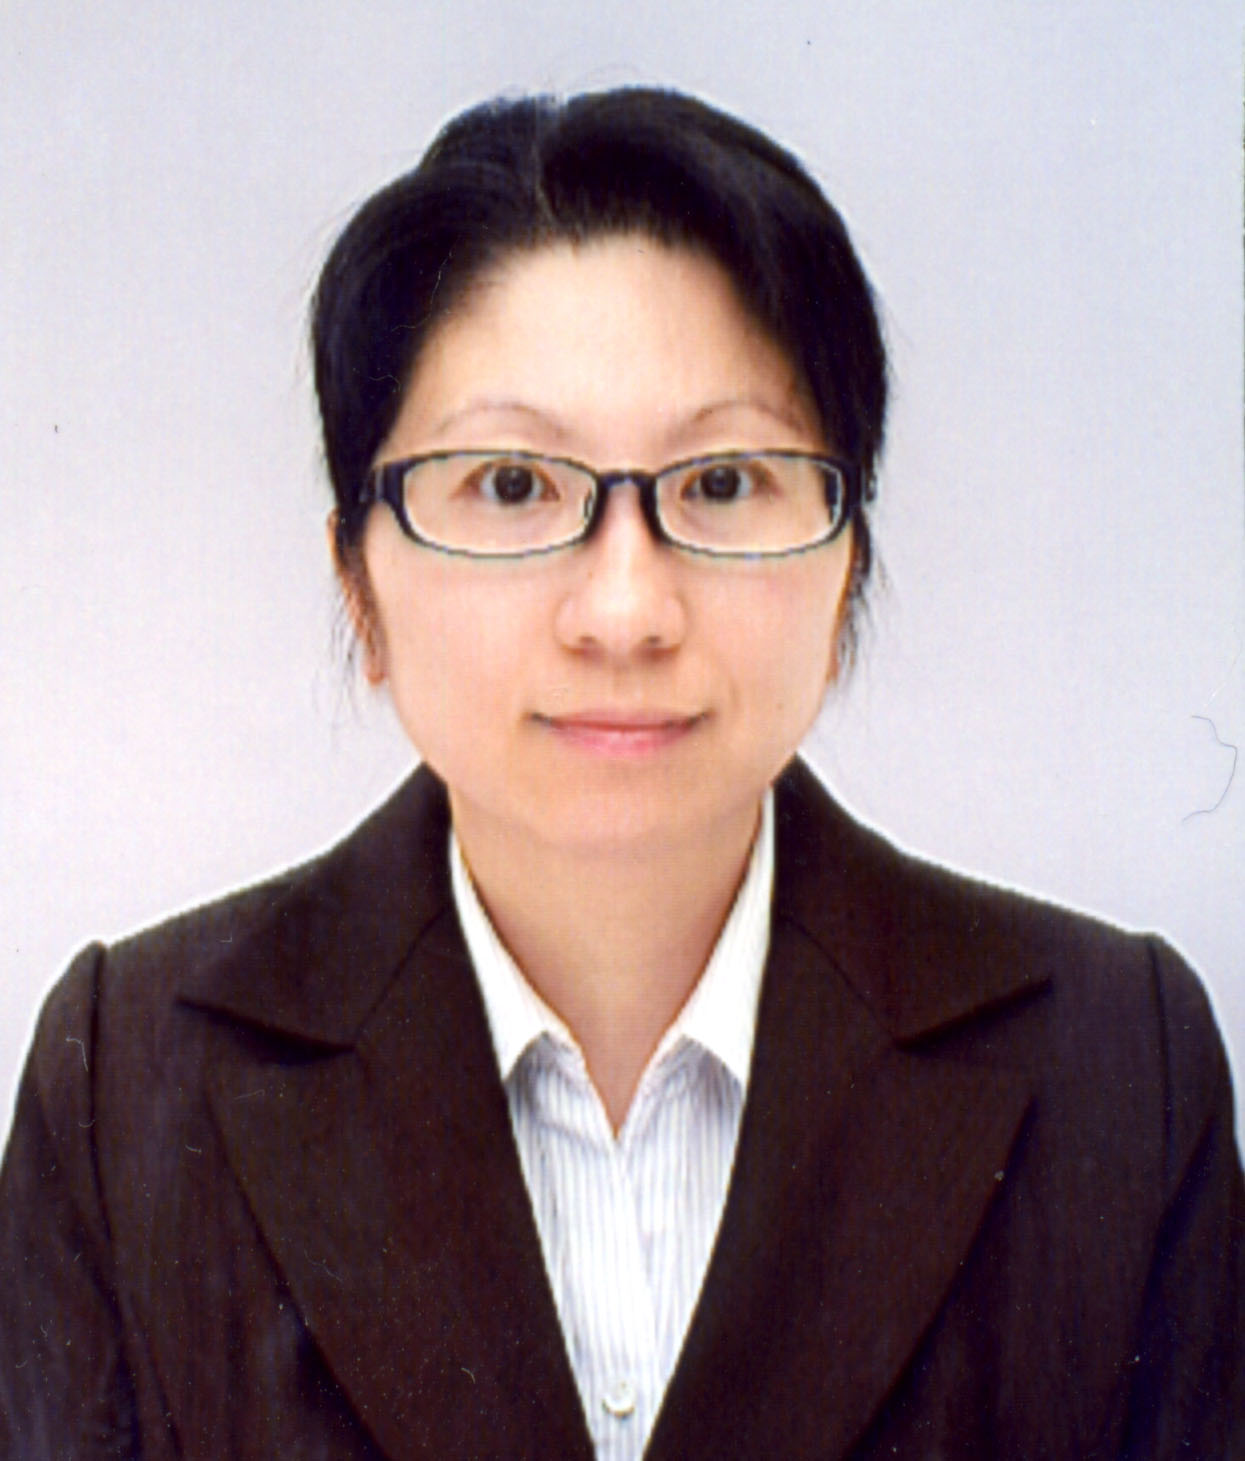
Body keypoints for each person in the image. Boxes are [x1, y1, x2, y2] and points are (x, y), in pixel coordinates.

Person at [0, 87, 1240, 1461]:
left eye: (722, 483)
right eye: (511, 486)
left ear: (845, 569)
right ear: (357, 578)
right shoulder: (129, 1078)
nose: (625, 611)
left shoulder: (1116, 1065)